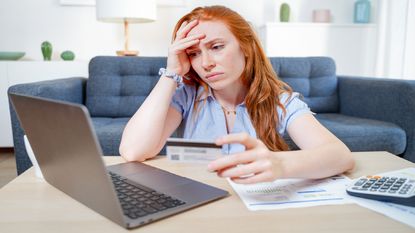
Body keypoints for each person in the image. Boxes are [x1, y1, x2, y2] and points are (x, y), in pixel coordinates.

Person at [119, 5, 354, 184]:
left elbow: (340, 156)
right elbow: (133, 151)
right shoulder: (186, 96)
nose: (206, 63)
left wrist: (279, 164)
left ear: (246, 48)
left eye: (216, 47)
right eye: (193, 53)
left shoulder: (280, 102)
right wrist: (171, 73)